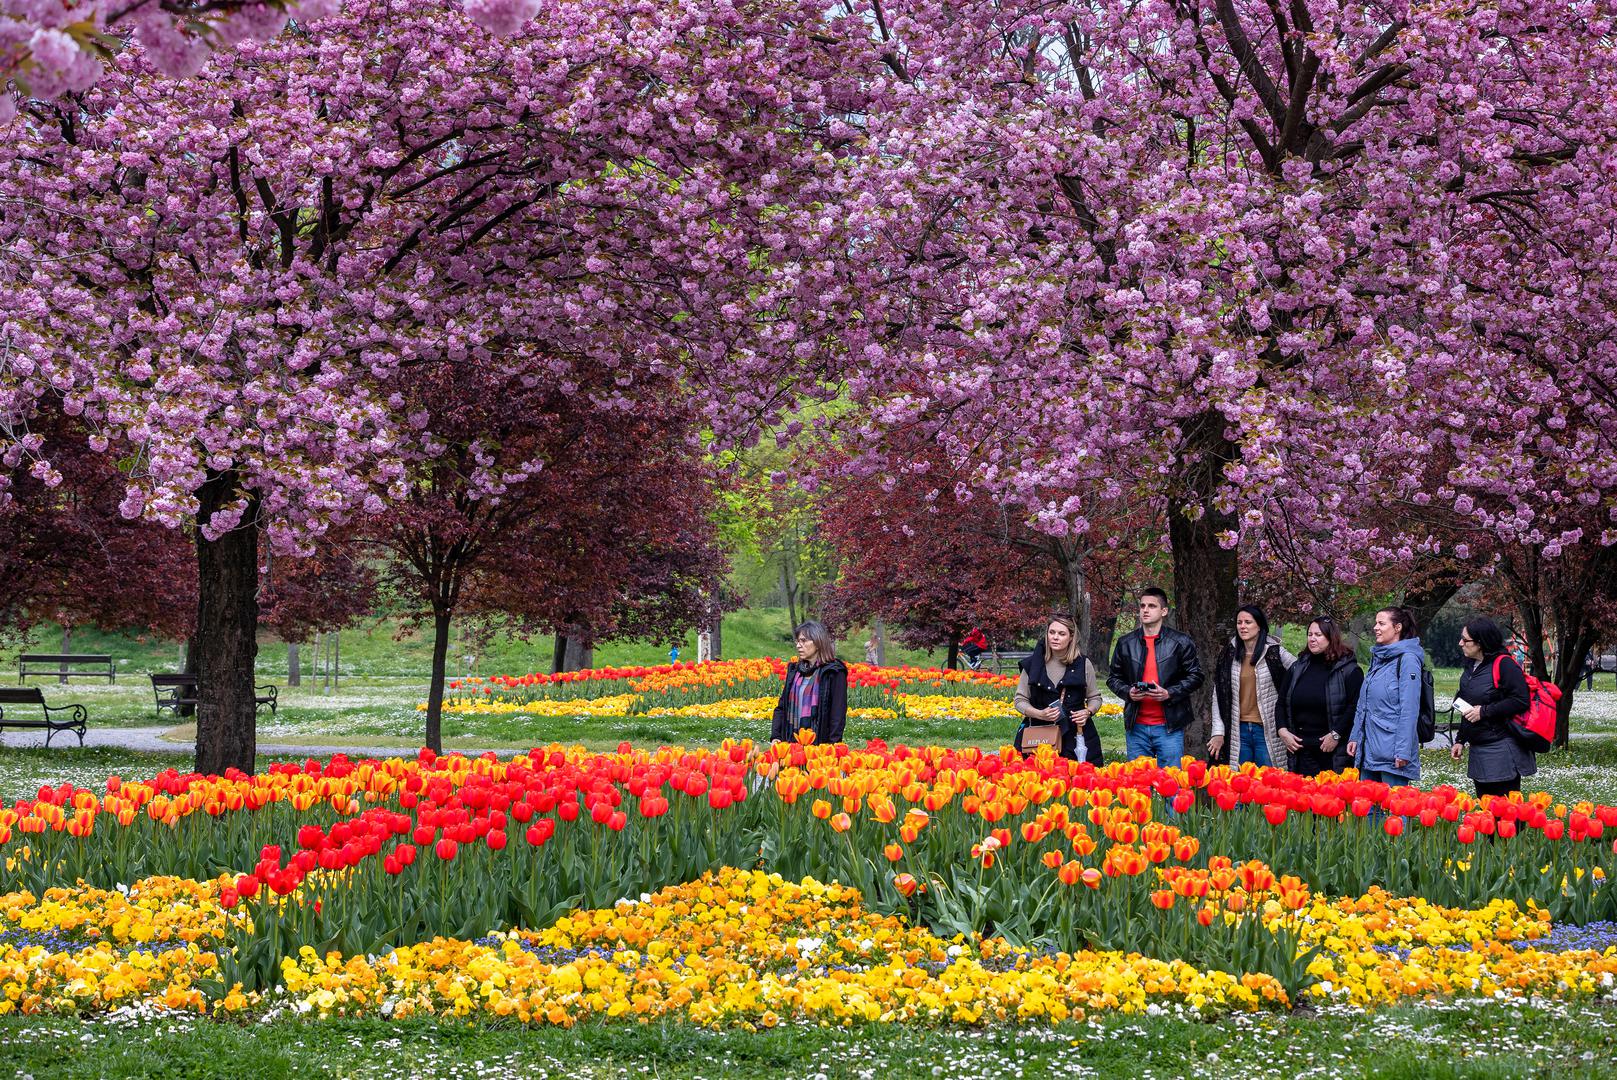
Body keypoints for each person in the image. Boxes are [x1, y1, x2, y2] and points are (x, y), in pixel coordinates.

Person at [1108, 586, 1204, 768]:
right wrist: (1128, 692)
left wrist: (1169, 693)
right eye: (1142, 606)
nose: (1145, 610)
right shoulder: (1125, 643)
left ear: (1164, 611)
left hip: (1169, 726)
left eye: (1152, 606)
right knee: (1138, 789)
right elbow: (1113, 678)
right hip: (1136, 726)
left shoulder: (1180, 642)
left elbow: (1196, 676)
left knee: (1170, 786)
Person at [1452, 616, 1536, 797]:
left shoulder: (1504, 664)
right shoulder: (1471, 666)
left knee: (1506, 815)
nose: (1460, 643)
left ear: (1481, 642)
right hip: (1478, 747)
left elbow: (1520, 700)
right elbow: (1467, 705)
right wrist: (1460, 739)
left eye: (1465, 640)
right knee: (1486, 814)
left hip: (1501, 747)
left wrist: (1484, 711)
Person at [1273, 615, 1364, 776]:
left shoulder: (1348, 669)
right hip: (1301, 750)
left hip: (1331, 751)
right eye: (1310, 634)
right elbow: (1281, 702)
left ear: (1331, 637)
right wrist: (1282, 731)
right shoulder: (1298, 667)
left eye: (1318, 635)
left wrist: (1336, 734)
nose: (1312, 639)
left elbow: (1355, 706)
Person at [1207, 605, 1295, 769]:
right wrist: (1218, 731)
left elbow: (1301, 674)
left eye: (1248, 622)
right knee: (1240, 785)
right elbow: (1218, 694)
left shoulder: (1275, 653)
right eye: (1239, 622)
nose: (1242, 626)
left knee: (1268, 785)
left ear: (1259, 625)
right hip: (1238, 732)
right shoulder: (1229, 654)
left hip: (1267, 731)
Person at [1346, 607, 1425, 786]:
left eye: (1381, 623)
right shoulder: (1379, 658)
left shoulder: (1408, 660)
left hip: (1393, 753)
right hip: (1369, 748)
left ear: (1397, 628)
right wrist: (1355, 737)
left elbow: (1409, 709)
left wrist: (1403, 751)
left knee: (1395, 810)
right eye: (1376, 623)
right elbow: (1364, 704)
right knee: (1370, 811)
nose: (1375, 627)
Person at [1013, 615, 1103, 765]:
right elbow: (1020, 700)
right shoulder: (1032, 665)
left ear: (1071, 637)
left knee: (1079, 782)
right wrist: (1039, 714)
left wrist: (1088, 712)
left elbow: (1095, 697)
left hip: (1077, 735)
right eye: (1052, 632)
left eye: (1061, 634)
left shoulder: (1083, 664)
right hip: (1039, 736)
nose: (1055, 637)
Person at [770, 621, 848, 745]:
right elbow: (782, 707)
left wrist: (832, 746)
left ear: (817, 642)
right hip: (790, 742)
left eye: (803, 641)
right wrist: (776, 736)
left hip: (819, 746)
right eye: (797, 641)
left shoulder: (833, 672)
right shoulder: (795, 671)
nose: (798, 646)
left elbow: (837, 714)